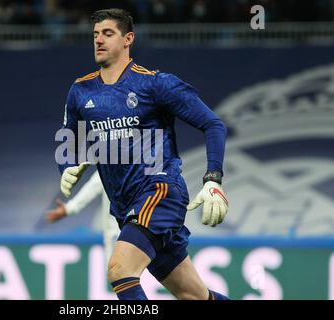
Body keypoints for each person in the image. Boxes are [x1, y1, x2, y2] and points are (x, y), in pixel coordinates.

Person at [57, 8, 229, 300]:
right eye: (95, 35)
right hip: (125, 207)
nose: (98, 40)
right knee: (194, 295)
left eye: (108, 34)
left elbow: (212, 123)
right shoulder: (80, 90)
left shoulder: (154, 84)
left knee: (119, 269)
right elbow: (69, 140)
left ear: (128, 39)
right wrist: (67, 165)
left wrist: (213, 179)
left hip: (159, 192)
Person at [45, 170, 118, 264]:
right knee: (118, 272)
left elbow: (94, 184)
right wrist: (69, 208)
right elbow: (94, 184)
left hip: (127, 231)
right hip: (116, 233)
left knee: (123, 272)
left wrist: (69, 208)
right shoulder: (111, 163)